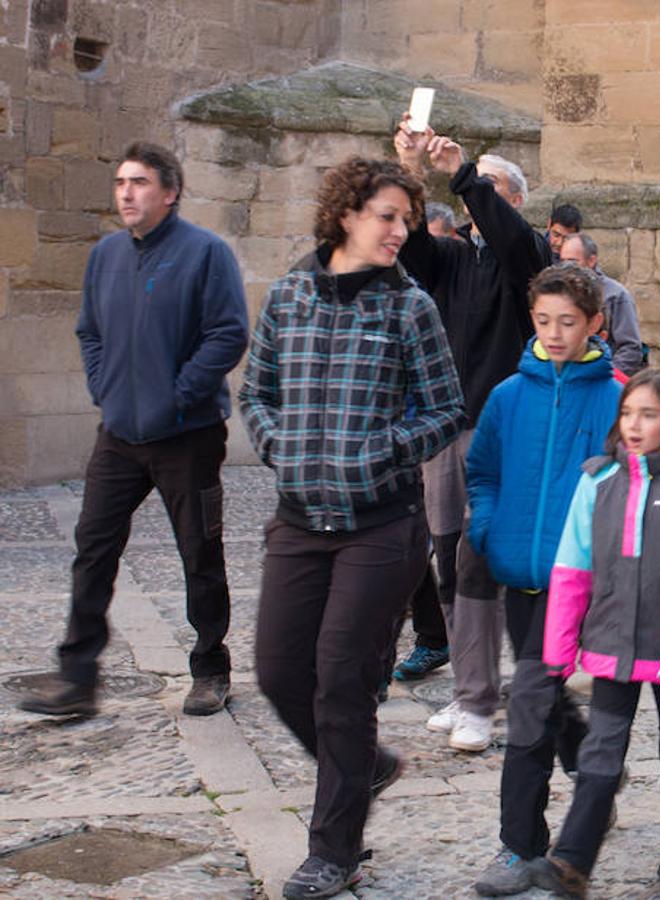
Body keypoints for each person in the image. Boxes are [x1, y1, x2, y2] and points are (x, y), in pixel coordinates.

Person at [239, 157, 465, 899]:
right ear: (346, 215)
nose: (401, 230)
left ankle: (332, 848)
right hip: (300, 520)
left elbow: (443, 410)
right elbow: (257, 393)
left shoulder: (410, 308)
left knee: (342, 678)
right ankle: (363, 767)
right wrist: (281, 445)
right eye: (387, 216)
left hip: (381, 525)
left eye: (406, 218)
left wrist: (381, 450)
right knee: (278, 671)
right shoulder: (290, 294)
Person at [19, 143, 248, 719]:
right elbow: (89, 332)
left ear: (169, 193)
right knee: (92, 550)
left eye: (139, 182)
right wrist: (106, 390)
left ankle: (211, 669)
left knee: (199, 553)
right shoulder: (105, 256)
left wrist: (177, 396)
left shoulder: (206, 253)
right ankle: (77, 679)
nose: (126, 192)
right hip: (118, 435)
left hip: (187, 435)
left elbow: (227, 334)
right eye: (121, 181)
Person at [529, 369, 660, 896]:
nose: (634, 425)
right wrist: (560, 648)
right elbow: (572, 571)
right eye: (627, 413)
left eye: (649, 414)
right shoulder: (596, 481)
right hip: (609, 645)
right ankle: (573, 859)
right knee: (601, 750)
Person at [394, 116, 552, 753]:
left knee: (482, 564)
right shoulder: (454, 259)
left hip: (502, 433)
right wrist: (409, 167)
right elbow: (407, 243)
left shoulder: (530, 257)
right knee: (449, 564)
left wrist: (463, 174)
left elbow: (514, 245)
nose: (472, 201)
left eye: (487, 190)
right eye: (470, 191)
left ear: (511, 200)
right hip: (445, 433)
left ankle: (485, 700)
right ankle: (469, 687)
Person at [466, 264, 624, 897]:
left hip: (579, 585)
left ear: (594, 324)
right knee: (544, 696)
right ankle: (589, 767)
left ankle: (519, 846)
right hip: (519, 577)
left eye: (567, 322)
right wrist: (487, 527)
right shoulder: (508, 395)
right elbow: (483, 472)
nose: (554, 334)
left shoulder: (615, 398)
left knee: (529, 704)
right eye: (542, 321)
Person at [559, 232, 646, 374]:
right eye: (563, 261)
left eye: (573, 262)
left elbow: (630, 349)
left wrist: (604, 375)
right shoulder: (558, 293)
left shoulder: (616, 295)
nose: (567, 268)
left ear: (591, 261)